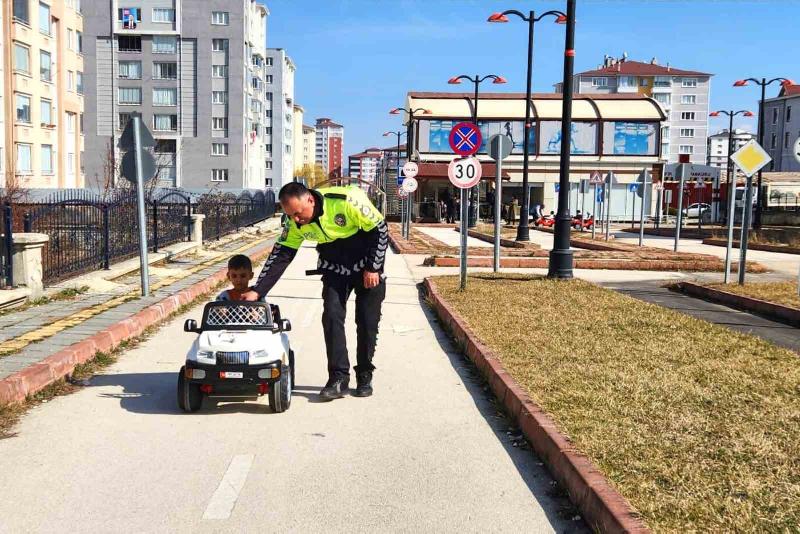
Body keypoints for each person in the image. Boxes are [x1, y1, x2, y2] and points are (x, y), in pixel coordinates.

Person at [239, 182, 388, 401]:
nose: (296, 220)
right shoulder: (293, 222)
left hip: (366, 265)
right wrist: (257, 291)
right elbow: (281, 255)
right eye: (291, 215)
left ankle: (364, 373)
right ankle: (338, 378)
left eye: (298, 213)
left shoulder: (345, 201)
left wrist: (373, 267)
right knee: (331, 317)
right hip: (335, 268)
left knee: (367, 321)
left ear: (310, 199)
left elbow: (380, 228)